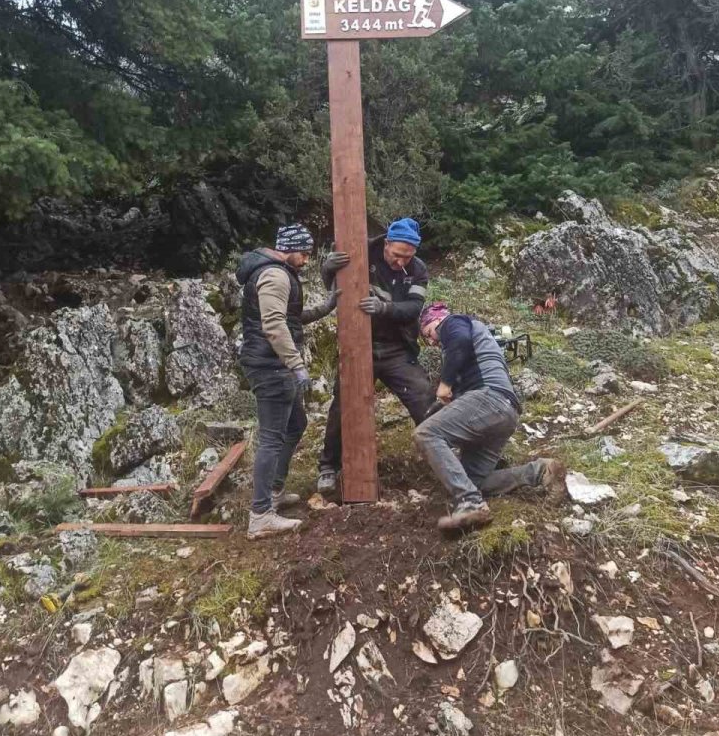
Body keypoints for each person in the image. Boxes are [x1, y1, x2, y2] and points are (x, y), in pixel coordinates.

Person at [414, 302, 567, 531]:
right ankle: (540, 471)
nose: (432, 341)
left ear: (437, 319)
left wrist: (445, 384)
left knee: (426, 433)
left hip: (489, 399)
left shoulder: (453, 323)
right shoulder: (471, 342)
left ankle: (470, 503)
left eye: (428, 333)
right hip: (505, 411)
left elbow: (460, 341)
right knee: (472, 480)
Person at [237, 223, 339, 539]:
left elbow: (289, 316)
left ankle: (274, 492)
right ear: (289, 249)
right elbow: (274, 325)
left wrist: (326, 306)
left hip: (272, 362)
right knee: (271, 438)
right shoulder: (275, 275)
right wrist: (297, 366)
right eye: (304, 253)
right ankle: (261, 515)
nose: (307, 260)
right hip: (271, 365)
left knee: (296, 424)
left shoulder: (278, 272)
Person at [317, 217, 432, 495]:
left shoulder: (418, 269)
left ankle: (447, 453)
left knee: (424, 398)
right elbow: (336, 287)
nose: (401, 262)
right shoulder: (360, 251)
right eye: (397, 255)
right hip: (359, 345)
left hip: (396, 349)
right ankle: (328, 466)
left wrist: (384, 308)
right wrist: (327, 269)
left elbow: (413, 308)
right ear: (387, 243)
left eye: (407, 257)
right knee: (343, 404)